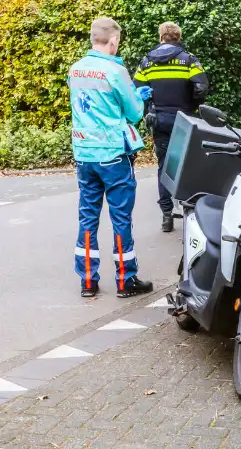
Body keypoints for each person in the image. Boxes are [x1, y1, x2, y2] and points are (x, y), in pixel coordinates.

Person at [69, 17, 155, 299]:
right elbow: (134, 113)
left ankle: (87, 280)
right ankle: (125, 279)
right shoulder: (115, 70)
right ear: (113, 41)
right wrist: (138, 97)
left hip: (84, 154)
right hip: (113, 155)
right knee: (120, 218)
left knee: (87, 217)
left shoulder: (76, 70)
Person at [134, 22, 209, 233]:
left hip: (159, 120)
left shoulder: (147, 62)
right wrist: (192, 105)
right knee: (188, 164)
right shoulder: (189, 60)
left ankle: (166, 215)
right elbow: (201, 86)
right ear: (178, 36)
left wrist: (150, 104)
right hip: (185, 120)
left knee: (164, 166)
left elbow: (137, 88)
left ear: (161, 37)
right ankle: (188, 211)